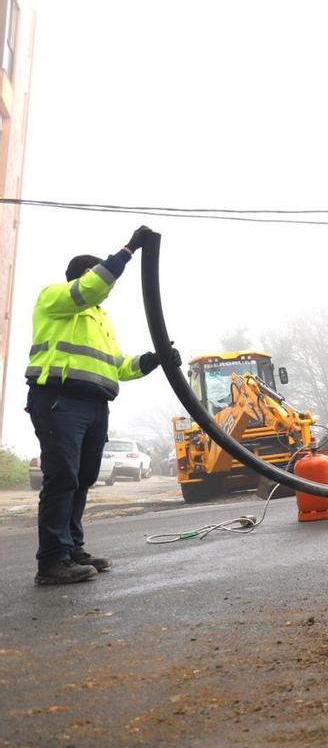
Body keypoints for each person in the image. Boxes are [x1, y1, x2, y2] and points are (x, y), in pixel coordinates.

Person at [26, 226, 179, 585]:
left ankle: (72, 549)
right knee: (62, 476)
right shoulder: (54, 298)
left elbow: (118, 366)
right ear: (83, 276)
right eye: (97, 278)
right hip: (59, 399)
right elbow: (95, 284)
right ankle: (51, 560)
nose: (105, 289)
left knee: (81, 478)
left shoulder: (100, 320)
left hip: (94, 405)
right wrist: (128, 250)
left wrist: (153, 359)